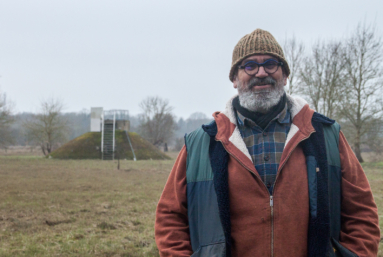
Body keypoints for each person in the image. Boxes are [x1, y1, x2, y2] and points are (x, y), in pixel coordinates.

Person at [155, 29, 380, 257]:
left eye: (271, 64)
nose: (261, 73)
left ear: (285, 76)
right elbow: (170, 217)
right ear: (234, 78)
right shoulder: (201, 143)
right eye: (249, 66)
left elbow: (361, 214)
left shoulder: (325, 135)